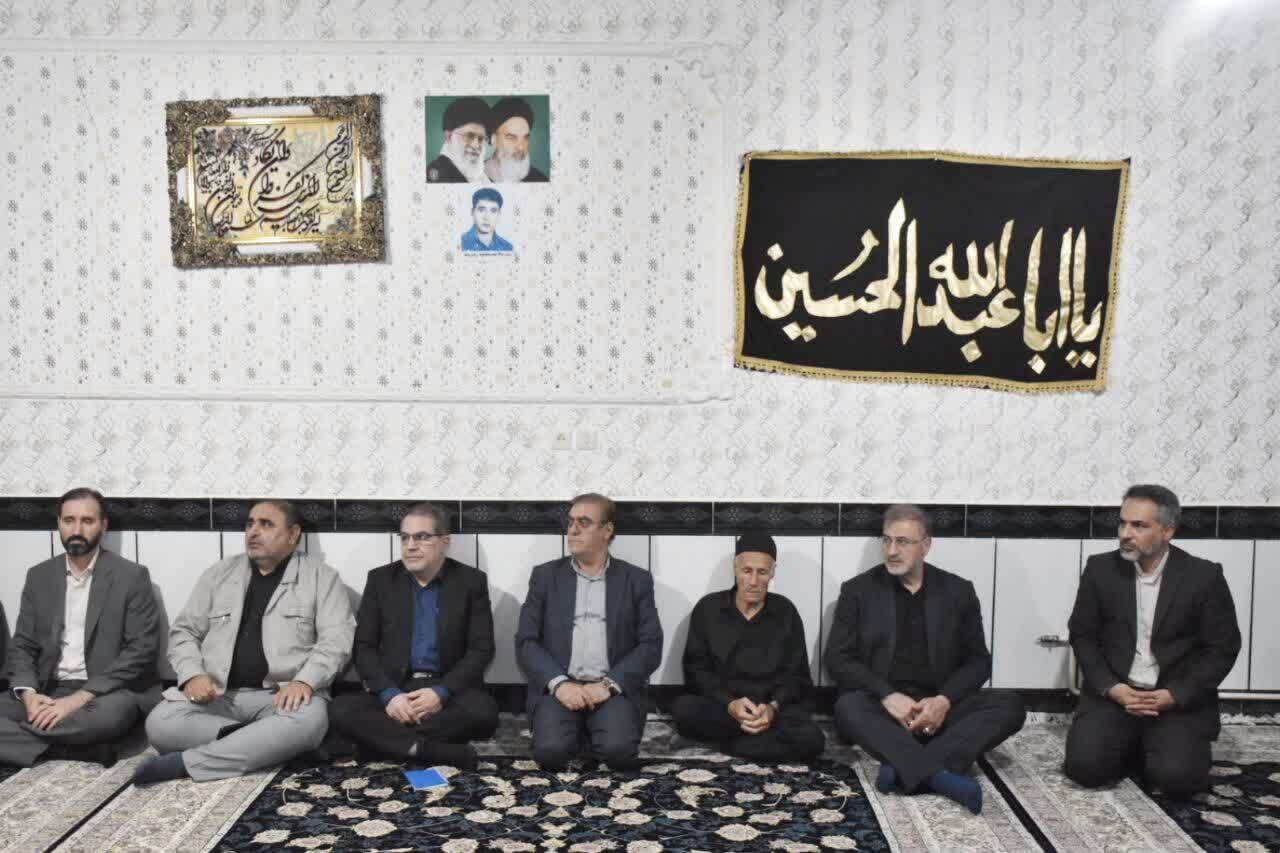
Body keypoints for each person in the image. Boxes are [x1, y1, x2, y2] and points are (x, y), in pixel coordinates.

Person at [134, 500, 355, 783]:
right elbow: (184, 632)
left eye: (266, 524)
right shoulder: (219, 573)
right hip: (218, 695)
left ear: (293, 534)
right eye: (250, 524)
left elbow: (337, 640)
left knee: (309, 721)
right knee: (159, 723)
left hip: (282, 697)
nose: (253, 532)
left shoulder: (321, 577)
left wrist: (305, 681)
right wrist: (192, 675)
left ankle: (182, 765)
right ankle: (267, 745)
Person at [825, 504, 1025, 815]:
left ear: (926, 545)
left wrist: (943, 701)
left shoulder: (958, 591)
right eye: (887, 540)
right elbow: (837, 659)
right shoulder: (858, 591)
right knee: (847, 707)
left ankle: (901, 768)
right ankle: (940, 776)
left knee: (1010, 705)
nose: (892, 551)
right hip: (886, 713)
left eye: (903, 542)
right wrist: (887, 695)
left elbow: (978, 661)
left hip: (942, 713)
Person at [1064, 484, 1241, 797]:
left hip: (1173, 700)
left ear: (1168, 531)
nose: (1125, 534)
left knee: (1177, 780)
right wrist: (1112, 688)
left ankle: (1156, 747)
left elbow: (1222, 648)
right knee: (1085, 769)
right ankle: (1135, 745)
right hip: (1117, 695)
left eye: (1139, 526)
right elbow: (1083, 635)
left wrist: (1175, 695)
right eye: (1122, 523)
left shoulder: (1204, 577)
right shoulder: (1100, 569)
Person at [329, 503, 499, 769]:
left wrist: (441, 693)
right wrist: (389, 695)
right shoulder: (381, 580)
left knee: (483, 712)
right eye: (405, 537)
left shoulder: (470, 581)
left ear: (445, 543)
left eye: (421, 537)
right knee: (340, 709)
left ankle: (383, 744)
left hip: (446, 691)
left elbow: (481, 649)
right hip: (396, 687)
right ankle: (427, 749)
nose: (410, 546)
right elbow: (364, 647)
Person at [0, 487, 160, 768]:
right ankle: (70, 750)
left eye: (87, 521)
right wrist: (29, 696)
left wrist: (76, 701)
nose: (76, 530)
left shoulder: (132, 576)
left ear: (103, 525)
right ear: (58, 523)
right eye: (69, 520)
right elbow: (23, 645)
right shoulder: (39, 576)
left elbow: (140, 651)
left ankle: (24, 741)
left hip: (106, 693)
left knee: (110, 718)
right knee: (20, 710)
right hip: (48, 688)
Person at [515, 493, 663, 770]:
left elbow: (650, 645)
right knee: (550, 753)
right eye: (571, 522)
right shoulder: (545, 576)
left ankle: (590, 732)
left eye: (584, 522)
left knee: (619, 753)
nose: (573, 529)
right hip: (561, 687)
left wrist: (608, 686)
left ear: (607, 530)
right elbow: (526, 641)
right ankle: (577, 733)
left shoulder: (636, 580)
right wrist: (560, 684)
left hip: (610, 689)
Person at [671, 532, 824, 761]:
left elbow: (798, 676)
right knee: (684, 710)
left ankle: (735, 743)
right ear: (735, 569)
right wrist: (730, 704)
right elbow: (696, 671)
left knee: (812, 739)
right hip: (725, 708)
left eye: (762, 572)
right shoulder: (708, 608)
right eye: (746, 571)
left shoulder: (786, 612)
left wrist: (772, 708)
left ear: (772, 572)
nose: (753, 581)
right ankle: (758, 741)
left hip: (770, 708)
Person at [427, 96, 492, 183]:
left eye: (481, 139)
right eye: (469, 136)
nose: (476, 145)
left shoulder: (485, 177)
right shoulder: (436, 174)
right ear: (449, 136)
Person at [484, 96, 549, 183]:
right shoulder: (473, 178)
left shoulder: (539, 179)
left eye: (525, 138)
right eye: (511, 138)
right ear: (493, 139)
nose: (521, 147)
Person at [460, 187, 514, 253]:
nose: (487, 217)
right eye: (481, 210)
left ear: (499, 214)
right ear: (472, 212)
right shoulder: (460, 243)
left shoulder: (507, 248)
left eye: (493, 211)